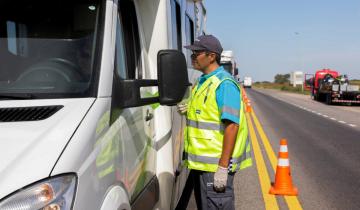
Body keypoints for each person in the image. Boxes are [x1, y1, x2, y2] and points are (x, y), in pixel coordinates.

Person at [177, 35, 252, 210]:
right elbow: (209, 113)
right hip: (201, 164)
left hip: (214, 166)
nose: (192, 56)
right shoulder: (204, 81)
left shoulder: (224, 84)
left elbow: (232, 126)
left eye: (197, 52)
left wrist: (223, 168)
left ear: (211, 56)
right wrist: (191, 108)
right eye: (192, 52)